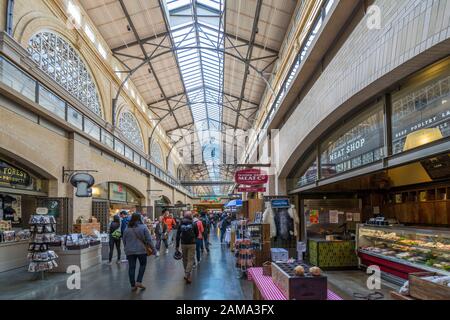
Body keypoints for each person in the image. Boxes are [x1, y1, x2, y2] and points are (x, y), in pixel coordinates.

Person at [123, 213, 156, 291]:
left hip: (129, 251)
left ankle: (133, 285)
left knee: (131, 267)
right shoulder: (143, 227)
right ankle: (139, 281)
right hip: (141, 250)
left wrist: (126, 248)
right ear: (140, 219)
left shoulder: (127, 228)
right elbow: (149, 240)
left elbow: (124, 240)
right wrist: (153, 249)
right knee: (143, 265)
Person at [176, 212, 199, 284]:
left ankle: (187, 274)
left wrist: (177, 245)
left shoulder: (180, 224)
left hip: (183, 243)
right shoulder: (194, 224)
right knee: (191, 259)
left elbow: (177, 235)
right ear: (190, 217)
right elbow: (197, 234)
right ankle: (187, 274)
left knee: (184, 259)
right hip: (192, 243)